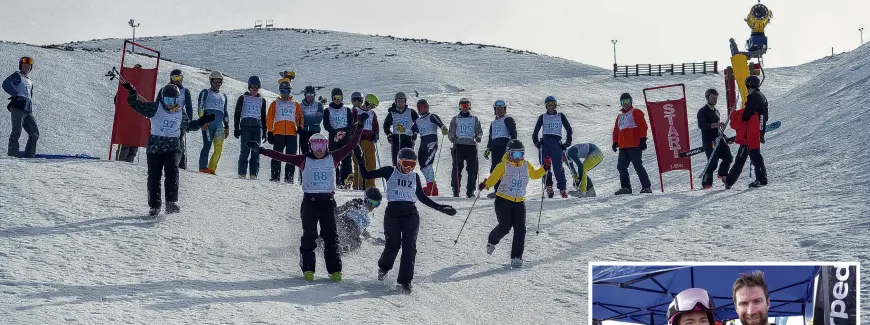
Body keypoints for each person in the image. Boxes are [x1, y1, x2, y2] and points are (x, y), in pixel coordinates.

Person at [246, 113, 368, 282]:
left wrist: (360, 126)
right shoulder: (303, 159)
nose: (319, 150)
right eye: (315, 145)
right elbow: (282, 156)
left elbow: (352, 144)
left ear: (326, 146)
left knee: (331, 237)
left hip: (328, 204)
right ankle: (308, 269)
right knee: (309, 237)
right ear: (310, 146)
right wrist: (261, 150)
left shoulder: (334, 157)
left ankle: (335, 271)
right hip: (309, 204)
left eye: (322, 145)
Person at [356, 147, 457, 294]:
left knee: (410, 246)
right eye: (405, 164)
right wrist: (360, 158)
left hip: (411, 214)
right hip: (393, 213)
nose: (408, 168)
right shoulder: (389, 172)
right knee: (393, 244)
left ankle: (405, 282)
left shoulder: (414, 176)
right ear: (398, 162)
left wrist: (441, 208)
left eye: (412, 164)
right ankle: (384, 267)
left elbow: (422, 198)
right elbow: (366, 175)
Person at [120, 81, 215, 216]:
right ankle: (155, 205)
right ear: (162, 98)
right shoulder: (155, 108)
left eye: (173, 100)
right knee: (154, 175)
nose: (170, 103)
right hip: (155, 147)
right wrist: (132, 92)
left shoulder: (180, 112)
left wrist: (202, 120)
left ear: (178, 100)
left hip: (173, 146)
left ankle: (171, 202)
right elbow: (135, 104)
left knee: (172, 170)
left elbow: (189, 126)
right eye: (167, 99)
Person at [478, 139, 548, 268]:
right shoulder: (503, 166)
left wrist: (545, 168)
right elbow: (492, 179)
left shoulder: (526, 165)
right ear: (509, 154)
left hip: (519, 202)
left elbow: (535, 175)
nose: (518, 158)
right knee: (505, 227)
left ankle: (516, 257)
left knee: (521, 229)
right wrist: (485, 185)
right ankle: (492, 240)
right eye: (515, 155)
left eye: (521, 154)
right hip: (503, 200)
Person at [724, 76, 769, 189]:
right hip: (755, 131)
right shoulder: (762, 96)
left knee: (754, 155)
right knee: (741, 157)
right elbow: (764, 117)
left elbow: (747, 114)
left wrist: (738, 115)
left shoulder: (754, 96)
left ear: (748, 85)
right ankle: (729, 181)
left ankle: (761, 179)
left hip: (750, 132)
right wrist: (761, 132)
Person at [532, 96, 573, 198]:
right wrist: (536, 142)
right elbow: (535, 131)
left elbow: (569, 129)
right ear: (546, 105)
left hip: (556, 143)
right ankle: (548, 186)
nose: (550, 106)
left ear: (555, 105)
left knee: (558, 167)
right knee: (545, 166)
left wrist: (567, 143)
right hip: (545, 143)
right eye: (548, 104)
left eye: (552, 104)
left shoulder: (560, 116)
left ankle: (562, 189)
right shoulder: (542, 117)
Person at [612, 93, 652, 195]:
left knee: (637, 165)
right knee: (621, 167)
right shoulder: (620, 116)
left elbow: (643, 126)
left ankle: (646, 187)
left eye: (626, 101)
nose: (624, 104)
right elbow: (617, 130)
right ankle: (626, 187)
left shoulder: (636, 112)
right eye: (622, 102)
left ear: (631, 101)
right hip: (623, 146)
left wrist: (643, 139)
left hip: (634, 144)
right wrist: (615, 141)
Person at [266, 79, 303, 183]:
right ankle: (275, 177)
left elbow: (300, 116)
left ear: (290, 91)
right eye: (282, 91)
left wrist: (300, 126)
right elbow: (269, 118)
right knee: (277, 155)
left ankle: (289, 178)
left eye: (286, 91)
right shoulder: (275, 103)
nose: (284, 94)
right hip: (278, 133)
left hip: (292, 133)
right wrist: (270, 131)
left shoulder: (295, 104)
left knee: (291, 156)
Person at [157, 69, 194, 169]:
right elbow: (158, 104)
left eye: (179, 78)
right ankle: (164, 161)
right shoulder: (164, 90)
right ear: (171, 79)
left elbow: (189, 107)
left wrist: (189, 122)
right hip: (166, 119)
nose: (177, 80)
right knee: (165, 139)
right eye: (175, 78)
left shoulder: (185, 91)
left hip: (180, 119)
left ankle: (180, 164)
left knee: (178, 140)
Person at [697, 88, 733, 189]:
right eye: (712, 98)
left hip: (719, 139)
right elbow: (702, 125)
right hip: (709, 140)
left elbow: (718, 129)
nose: (714, 100)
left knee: (728, 157)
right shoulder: (702, 111)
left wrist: (725, 137)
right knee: (712, 163)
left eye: (716, 98)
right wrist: (716, 124)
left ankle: (722, 174)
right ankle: (706, 183)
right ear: (707, 98)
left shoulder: (716, 111)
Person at [448, 98, 484, 198]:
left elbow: (479, 131)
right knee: (457, 169)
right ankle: (456, 190)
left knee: (472, 169)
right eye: (462, 106)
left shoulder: (474, 119)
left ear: (469, 106)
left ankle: (470, 191)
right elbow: (451, 132)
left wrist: (478, 137)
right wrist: (453, 139)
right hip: (459, 146)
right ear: (459, 107)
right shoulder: (455, 119)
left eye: (466, 106)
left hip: (471, 146)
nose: (464, 108)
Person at [233, 76, 268, 179]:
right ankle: (242, 173)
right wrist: (236, 128)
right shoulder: (243, 98)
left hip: (257, 128)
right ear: (249, 87)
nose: (254, 89)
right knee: (245, 150)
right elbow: (237, 113)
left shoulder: (262, 100)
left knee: (256, 150)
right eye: (252, 87)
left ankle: (253, 174)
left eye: (256, 87)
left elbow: (263, 116)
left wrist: (265, 131)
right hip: (245, 127)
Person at [3, 56, 38, 158]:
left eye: (28, 66)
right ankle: (13, 156)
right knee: (16, 132)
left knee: (34, 133)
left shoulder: (29, 80)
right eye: (24, 66)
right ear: (20, 66)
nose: (26, 67)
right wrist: (15, 94)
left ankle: (29, 157)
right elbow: (6, 84)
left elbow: (29, 94)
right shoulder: (17, 75)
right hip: (18, 106)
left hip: (27, 109)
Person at [331, 187, 382, 253]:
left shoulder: (367, 214)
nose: (373, 206)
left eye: (377, 204)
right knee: (357, 242)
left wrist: (365, 233)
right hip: (342, 227)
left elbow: (360, 224)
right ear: (366, 199)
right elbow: (336, 212)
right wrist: (348, 205)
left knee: (357, 243)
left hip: (351, 232)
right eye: (372, 203)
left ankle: (342, 247)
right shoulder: (356, 204)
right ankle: (336, 246)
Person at [483, 99, 518, 199]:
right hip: (495, 149)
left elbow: (513, 134)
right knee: (494, 170)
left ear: (505, 109)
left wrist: (511, 147)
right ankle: (498, 191)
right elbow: (491, 136)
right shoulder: (493, 123)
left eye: (501, 108)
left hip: (504, 148)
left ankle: (507, 191)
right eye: (497, 109)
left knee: (505, 170)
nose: (499, 110)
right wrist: (488, 148)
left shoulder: (508, 119)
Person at [197, 70, 229, 174]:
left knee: (218, 148)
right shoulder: (205, 92)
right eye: (215, 82)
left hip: (219, 125)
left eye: (219, 82)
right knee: (207, 145)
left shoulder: (224, 96)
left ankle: (211, 168)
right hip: (208, 123)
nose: (217, 84)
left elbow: (225, 112)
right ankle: (203, 167)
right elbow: (200, 107)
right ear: (211, 82)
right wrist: (203, 121)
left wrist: (227, 126)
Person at [414, 98, 449, 196]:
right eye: (421, 108)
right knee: (422, 165)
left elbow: (440, 124)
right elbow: (412, 131)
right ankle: (430, 186)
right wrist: (403, 130)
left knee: (427, 164)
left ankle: (433, 189)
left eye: (425, 107)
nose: (423, 109)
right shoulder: (418, 121)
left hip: (431, 142)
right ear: (418, 109)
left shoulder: (432, 116)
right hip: (423, 143)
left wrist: (444, 128)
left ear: (428, 107)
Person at [323, 88, 355, 188]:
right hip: (334, 137)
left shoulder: (347, 110)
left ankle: (346, 181)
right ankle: (335, 181)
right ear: (332, 98)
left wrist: (345, 131)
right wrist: (335, 132)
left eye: (339, 97)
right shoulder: (328, 110)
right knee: (334, 158)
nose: (337, 99)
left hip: (346, 136)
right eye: (335, 97)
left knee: (346, 159)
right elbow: (326, 125)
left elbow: (351, 123)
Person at [349, 92, 380, 190]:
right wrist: (353, 134)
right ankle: (358, 185)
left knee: (371, 164)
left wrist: (376, 135)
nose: (372, 108)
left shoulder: (372, 113)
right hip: (358, 141)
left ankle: (370, 186)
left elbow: (375, 126)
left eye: (374, 106)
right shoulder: (356, 110)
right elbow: (351, 124)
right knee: (358, 163)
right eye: (372, 105)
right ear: (367, 102)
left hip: (369, 141)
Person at [383, 92, 419, 166]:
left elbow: (418, 124)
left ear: (405, 101)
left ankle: (408, 175)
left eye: (402, 100)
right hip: (396, 139)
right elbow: (386, 125)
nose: (400, 102)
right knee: (397, 161)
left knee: (408, 160)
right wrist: (389, 134)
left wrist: (415, 133)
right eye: (398, 100)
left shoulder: (411, 112)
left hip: (408, 138)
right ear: (395, 101)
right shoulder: (392, 113)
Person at [297, 85, 324, 181]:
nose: (310, 96)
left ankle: (315, 175)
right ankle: (303, 176)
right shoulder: (300, 106)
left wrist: (306, 119)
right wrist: (309, 119)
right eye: (308, 94)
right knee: (305, 154)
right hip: (304, 132)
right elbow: (299, 119)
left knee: (315, 153)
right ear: (304, 94)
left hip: (315, 132)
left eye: (312, 94)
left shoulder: (318, 105)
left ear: (314, 95)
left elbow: (318, 119)